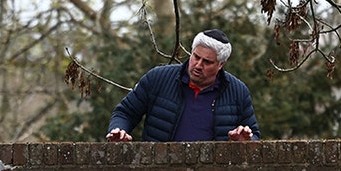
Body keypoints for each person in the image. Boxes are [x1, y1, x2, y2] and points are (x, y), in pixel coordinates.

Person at [107, 29, 260, 142]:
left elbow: (254, 136)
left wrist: (245, 141)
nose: (198, 65)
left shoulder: (237, 91)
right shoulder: (158, 78)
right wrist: (119, 130)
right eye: (196, 57)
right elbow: (125, 112)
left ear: (221, 64)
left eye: (207, 62)